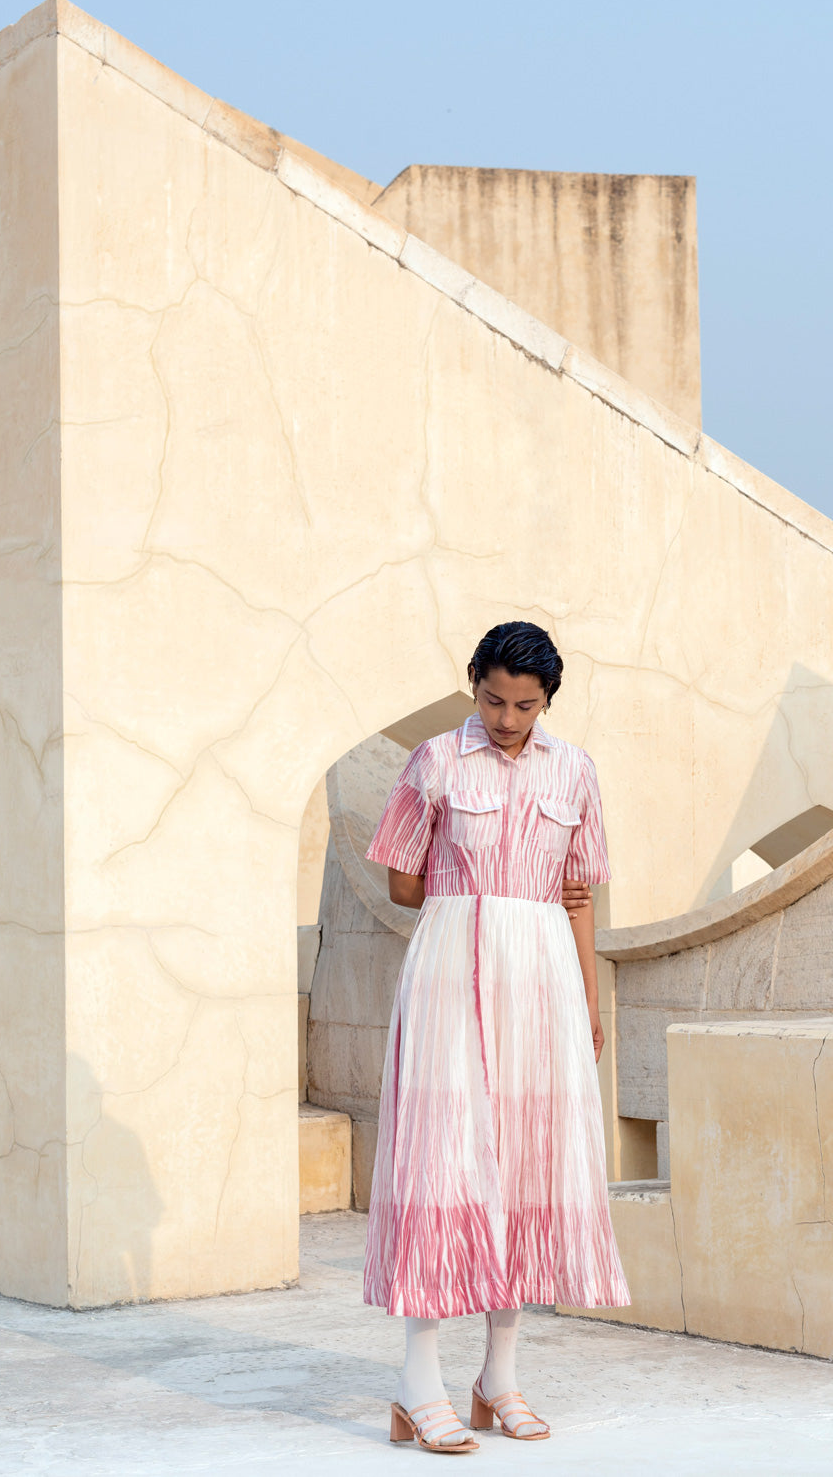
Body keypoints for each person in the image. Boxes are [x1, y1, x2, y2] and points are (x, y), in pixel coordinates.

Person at [364, 621, 630, 1454]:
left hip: (543, 981)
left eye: (525, 705)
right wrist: (478, 896)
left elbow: (579, 893)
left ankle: (498, 1380)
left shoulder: (575, 770)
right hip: (452, 969)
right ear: (473, 681)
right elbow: (403, 882)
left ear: (548, 700)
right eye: (493, 700)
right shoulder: (435, 761)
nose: (507, 719)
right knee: (440, 1162)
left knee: (524, 1165)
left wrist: (588, 999)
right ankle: (418, 1384)